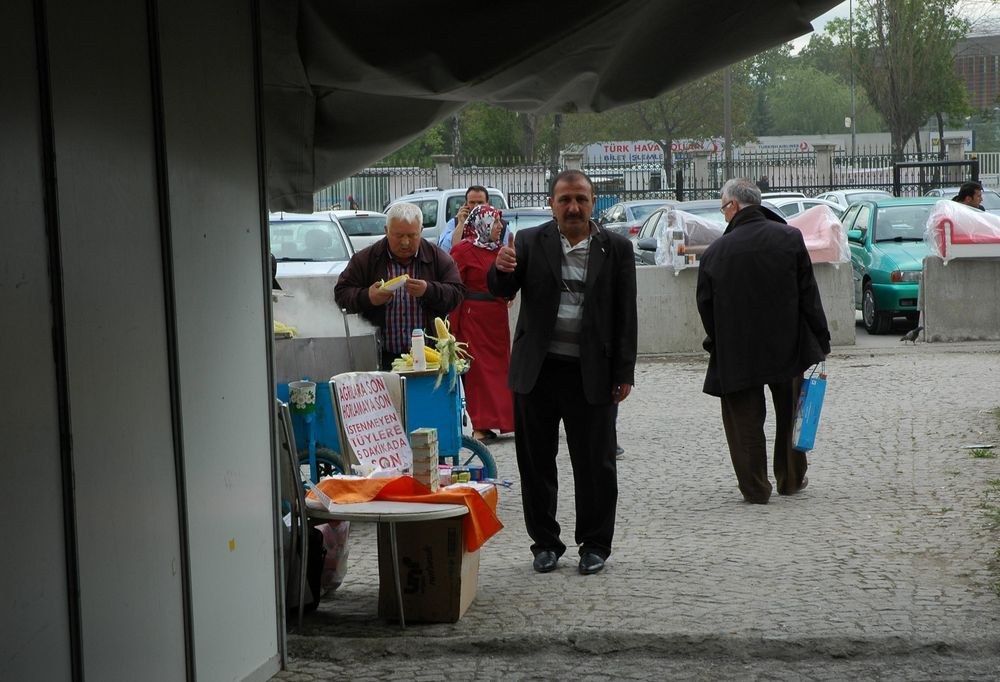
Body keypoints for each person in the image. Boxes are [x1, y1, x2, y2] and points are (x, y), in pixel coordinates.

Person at [488, 169, 637, 576]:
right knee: (536, 463)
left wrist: (624, 371)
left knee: (597, 464)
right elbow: (501, 291)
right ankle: (545, 544)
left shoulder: (617, 248)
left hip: (593, 372)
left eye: (581, 200)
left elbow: (627, 315)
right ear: (551, 203)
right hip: (537, 372)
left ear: (593, 203)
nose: (573, 207)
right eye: (565, 199)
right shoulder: (531, 242)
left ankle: (595, 545)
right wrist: (501, 268)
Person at [696, 178, 831, 505]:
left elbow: (705, 305)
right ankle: (791, 478)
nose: (723, 215)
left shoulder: (715, 252)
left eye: (723, 208)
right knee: (790, 413)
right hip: (788, 343)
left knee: (744, 421)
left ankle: (755, 487)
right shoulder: (789, 238)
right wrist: (821, 339)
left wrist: (719, 341)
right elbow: (808, 295)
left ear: (733, 206)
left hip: (737, 349)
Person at [334, 202, 465, 370]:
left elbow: (457, 293)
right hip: (381, 357)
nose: (405, 242)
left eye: (412, 235)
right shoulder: (366, 259)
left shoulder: (438, 258)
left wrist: (428, 290)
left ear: (421, 231)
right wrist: (368, 297)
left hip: (430, 359)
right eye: (398, 235)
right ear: (386, 230)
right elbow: (341, 294)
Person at [449, 204, 515, 442]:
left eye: (499, 222)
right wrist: (454, 327)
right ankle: (479, 423)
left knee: (500, 369)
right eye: (495, 222)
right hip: (473, 318)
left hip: (496, 318)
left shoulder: (500, 250)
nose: (499, 227)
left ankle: (503, 420)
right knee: (478, 372)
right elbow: (455, 289)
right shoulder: (463, 251)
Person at [437, 185, 490, 252]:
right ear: (465, 204)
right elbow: (445, 250)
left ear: (487, 204)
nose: (476, 206)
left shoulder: (499, 224)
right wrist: (461, 223)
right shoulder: (454, 223)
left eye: (480, 202)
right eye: (472, 202)